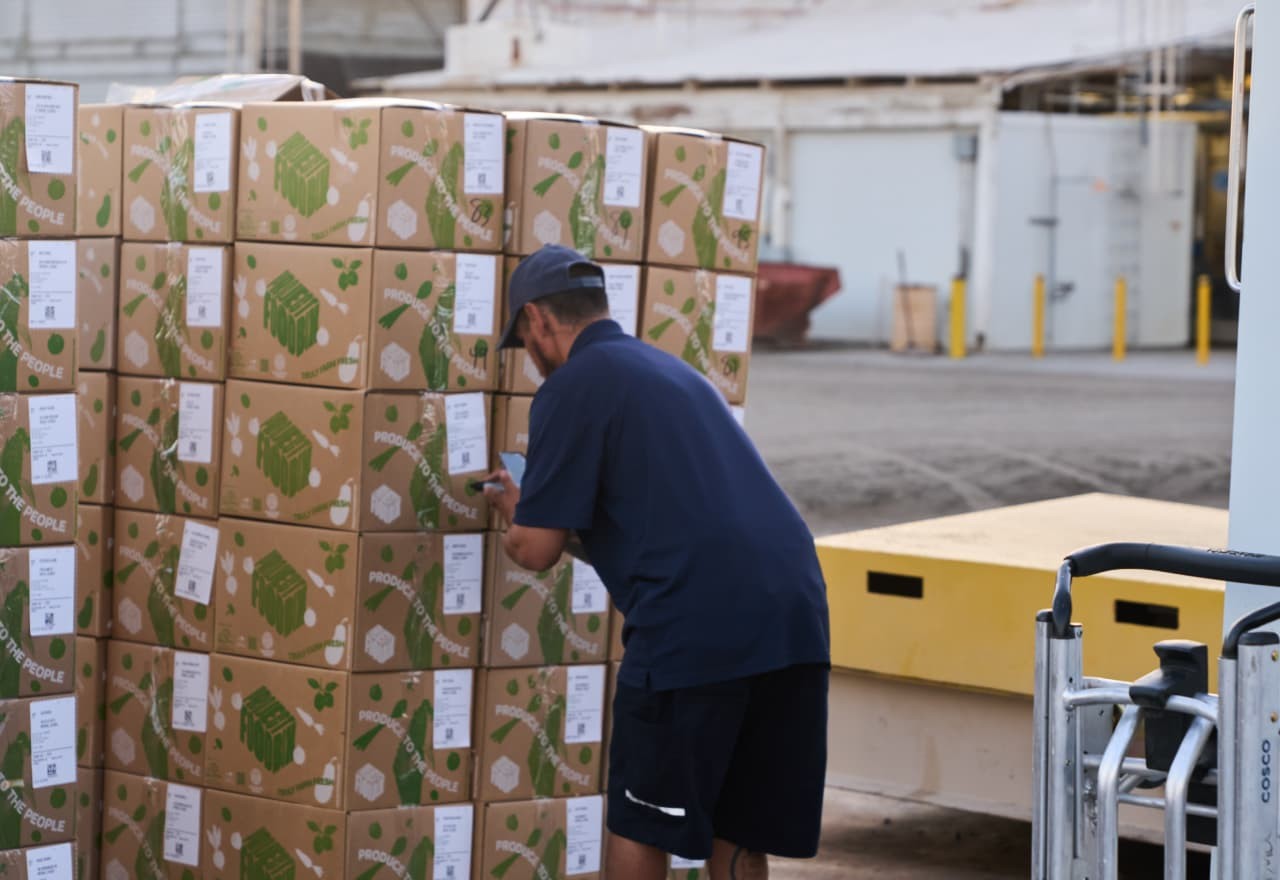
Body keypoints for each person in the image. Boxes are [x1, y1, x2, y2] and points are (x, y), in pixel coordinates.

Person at [482, 244, 831, 880]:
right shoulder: (671, 374)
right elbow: (658, 523)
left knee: (643, 821)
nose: (530, 361)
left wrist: (517, 513)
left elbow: (535, 550)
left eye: (523, 341)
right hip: (794, 614)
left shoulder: (572, 387)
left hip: (696, 627)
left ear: (536, 320)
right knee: (742, 827)